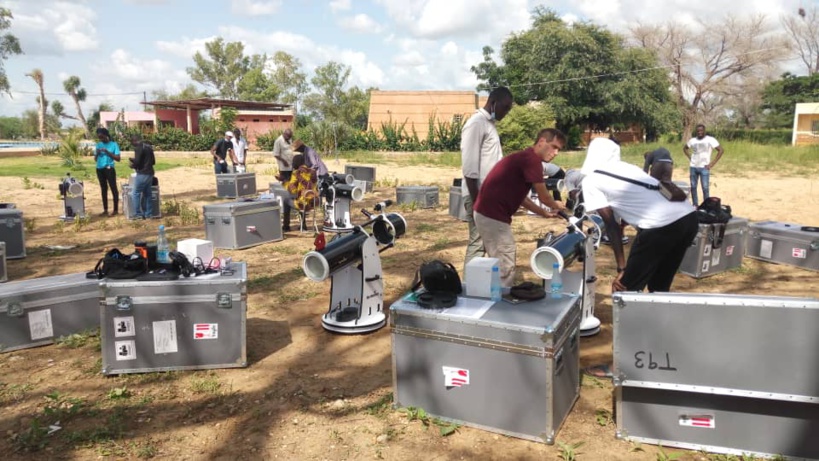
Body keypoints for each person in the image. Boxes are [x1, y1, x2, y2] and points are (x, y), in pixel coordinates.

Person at [576, 139, 698, 293]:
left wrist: (622, 268)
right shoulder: (629, 168)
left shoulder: (591, 181)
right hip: (689, 218)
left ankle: (630, 306)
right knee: (659, 286)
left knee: (625, 290)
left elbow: (611, 225)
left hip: (660, 225)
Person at [473, 128, 568, 288]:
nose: (556, 153)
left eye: (559, 149)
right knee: (505, 261)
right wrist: (557, 205)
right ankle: (499, 298)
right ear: (541, 142)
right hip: (492, 215)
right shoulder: (532, 161)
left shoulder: (525, 158)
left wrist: (544, 213)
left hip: (485, 213)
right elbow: (544, 196)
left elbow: (523, 199)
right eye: (554, 147)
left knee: (499, 258)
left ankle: (492, 292)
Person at [460, 86, 514, 272]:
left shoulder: (489, 125)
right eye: (505, 107)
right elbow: (469, 168)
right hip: (478, 195)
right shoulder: (476, 123)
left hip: (489, 196)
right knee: (477, 243)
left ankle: (482, 282)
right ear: (493, 102)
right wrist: (477, 201)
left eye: (509, 109)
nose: (506, 112)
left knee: (486, 242)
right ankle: (468, 286)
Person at [683, 124, 724, 205]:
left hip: (704, 167)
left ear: (704, 131)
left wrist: (712, 164)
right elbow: (685, 148)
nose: (699, 132)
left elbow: (721, 150)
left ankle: (706, 205)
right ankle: (695, 205)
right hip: (693, 167)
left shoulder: (710, 140)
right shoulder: (692, 140)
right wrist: (690, 158)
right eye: (698, 131)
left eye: (701, 130)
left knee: (705, 188)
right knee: (693, 187)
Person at [284, 154, 319, 232]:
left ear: (296, 163)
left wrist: (285, 182)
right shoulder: (313, 172)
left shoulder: (296, 173)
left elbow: (292, 190)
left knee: (286, 201)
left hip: (303, 205)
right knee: (302, 198)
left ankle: (286, 226)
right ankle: (303, 225)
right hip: (313, 203)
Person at [94, 127, 121, 216]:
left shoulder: (113, 144)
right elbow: (95, 159)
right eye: (99, 137)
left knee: (113, 188)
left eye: (102, 137)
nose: (101, 139)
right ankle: (105, 210)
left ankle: (115, 210)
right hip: (99, 169)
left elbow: (118, 158)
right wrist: (97, 153)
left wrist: (107, 152)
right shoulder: (98, 145)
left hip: (109, 169)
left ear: (106, 135)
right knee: (103, 189)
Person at [129, 133, 155, 220]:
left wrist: (132, 165)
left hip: (142, 173)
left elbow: (137, 162)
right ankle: (148, 214)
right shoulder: (148, 147)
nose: (132, 145)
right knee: (147, 194)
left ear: (134, 141)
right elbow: (153, 161)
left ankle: (138, 214)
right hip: (150, 173)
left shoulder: (139, 147)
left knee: (135, 193)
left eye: (132, 143)